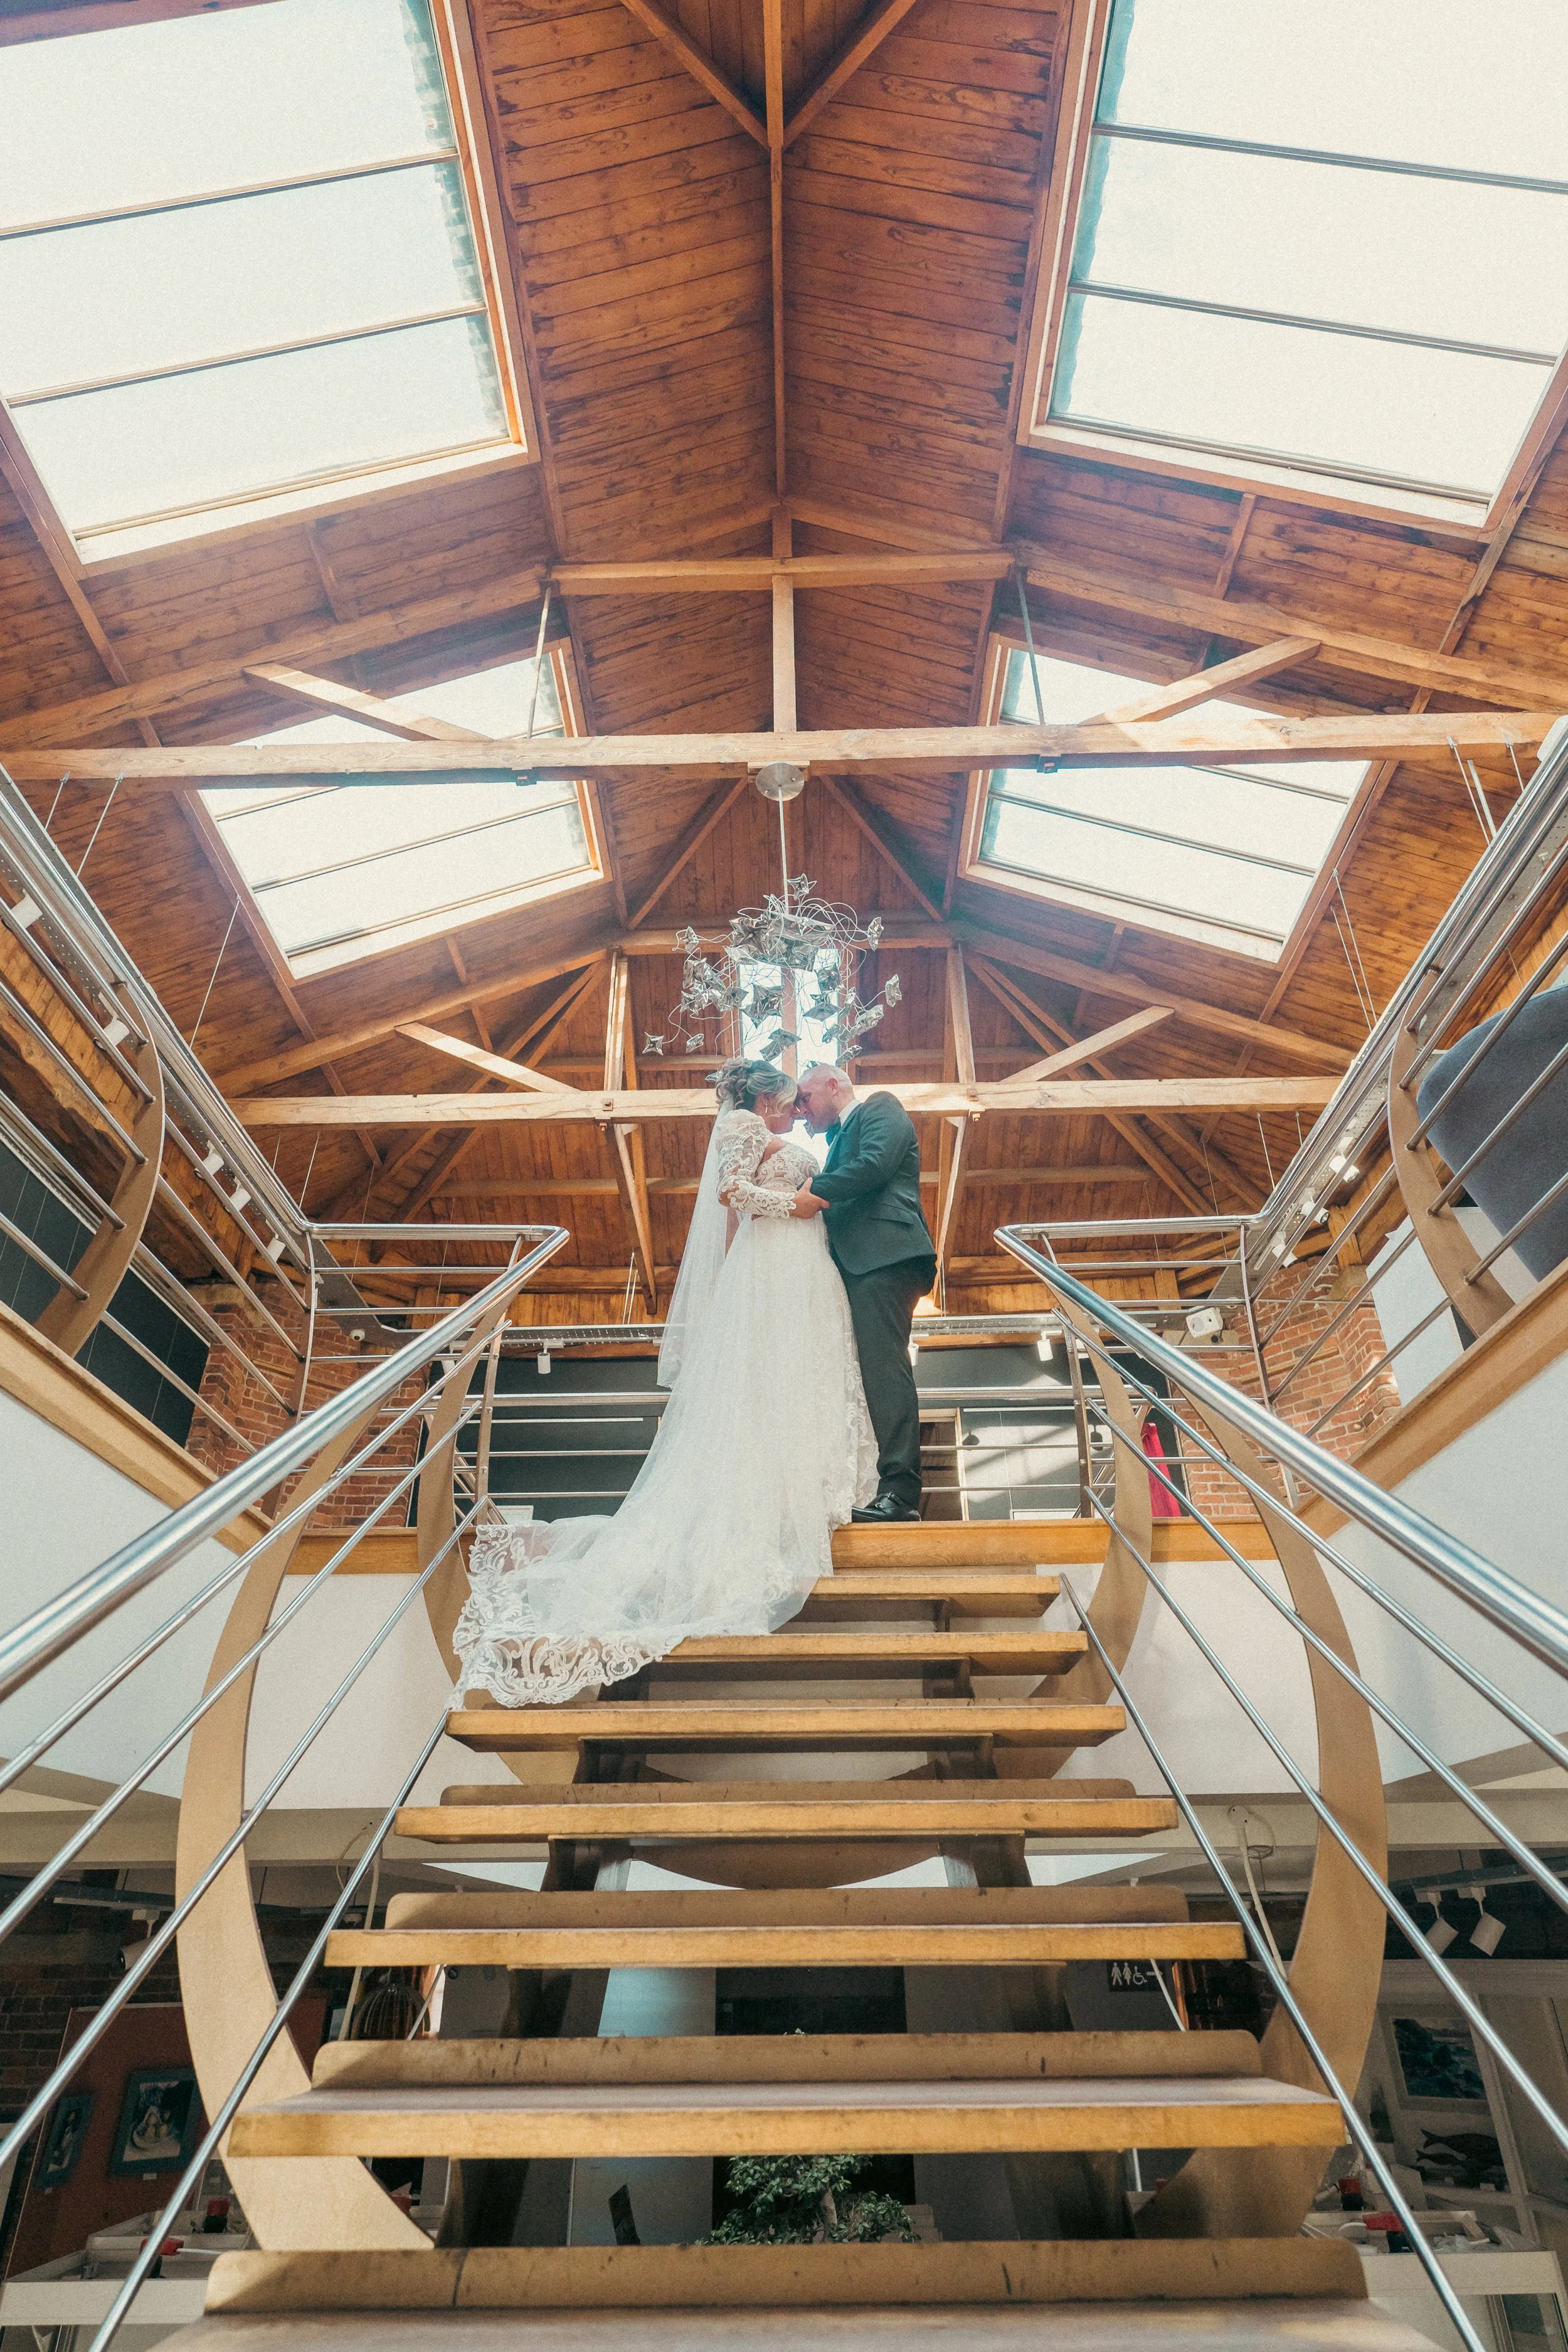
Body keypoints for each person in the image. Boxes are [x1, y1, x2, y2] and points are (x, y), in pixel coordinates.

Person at [452, 1057, 877, 1706]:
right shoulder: (739, 1123)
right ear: (767, 1094)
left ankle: (812, 1488)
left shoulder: (779, 1132)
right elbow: (730, 1194)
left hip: (804, 1265)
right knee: (766, 1381)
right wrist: (792, 1204)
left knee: (801, 1376)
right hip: (776, 1255)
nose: (796, 1111)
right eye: (790, 1099)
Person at [790, 1065, 936, 1525]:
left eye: (805, 1097)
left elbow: (874, 1165)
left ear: (834, 1085)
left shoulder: (881, 1108)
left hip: (886, 1259)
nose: (800, 1111)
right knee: (868, 1378)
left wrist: (810, 1192)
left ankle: (900, 1493)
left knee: (885, 1372)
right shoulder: (834, 1145)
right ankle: (874, 1487)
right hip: (855, 1267)